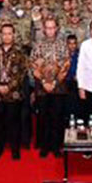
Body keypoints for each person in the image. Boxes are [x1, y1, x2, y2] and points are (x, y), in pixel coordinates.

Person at [30, 18, 69, 157]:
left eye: (53, 27)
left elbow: (66, 65)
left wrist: (54, 83)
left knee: (57, 117)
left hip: (58, 87)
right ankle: (45, 146)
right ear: (44, 29)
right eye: (48, 28)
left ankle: (56, 146)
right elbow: (33, 65)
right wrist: (43, 82)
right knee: (43, 117)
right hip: (42, 88)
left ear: (56, 28)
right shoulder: (38, 45)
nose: (50, 30)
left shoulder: (62, 45)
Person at [0, 24, 27, 160]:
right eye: (4, 33)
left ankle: (15, 149)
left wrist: (9, 86)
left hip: (14, 93)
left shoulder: (20, 52)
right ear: (0, 35)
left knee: (14, 122)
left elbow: (22, 73)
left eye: (9, 33)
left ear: (14, 35)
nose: (7, 36)